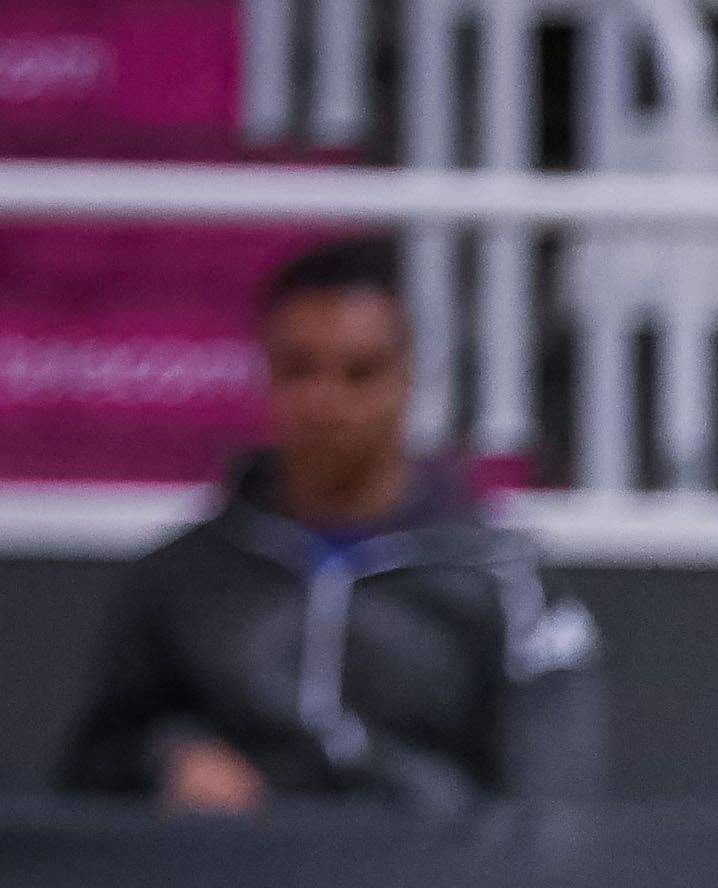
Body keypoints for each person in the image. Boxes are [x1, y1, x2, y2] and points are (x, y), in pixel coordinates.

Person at [59, 236, 601, 814]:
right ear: (263, 374)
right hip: (233, 887)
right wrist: (167, 761)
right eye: (299, 369)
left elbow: (552, 801)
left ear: (408, 377)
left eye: (360, 372)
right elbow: (90, 772)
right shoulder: (185, 575)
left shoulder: (505, 581)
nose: (327, 401)